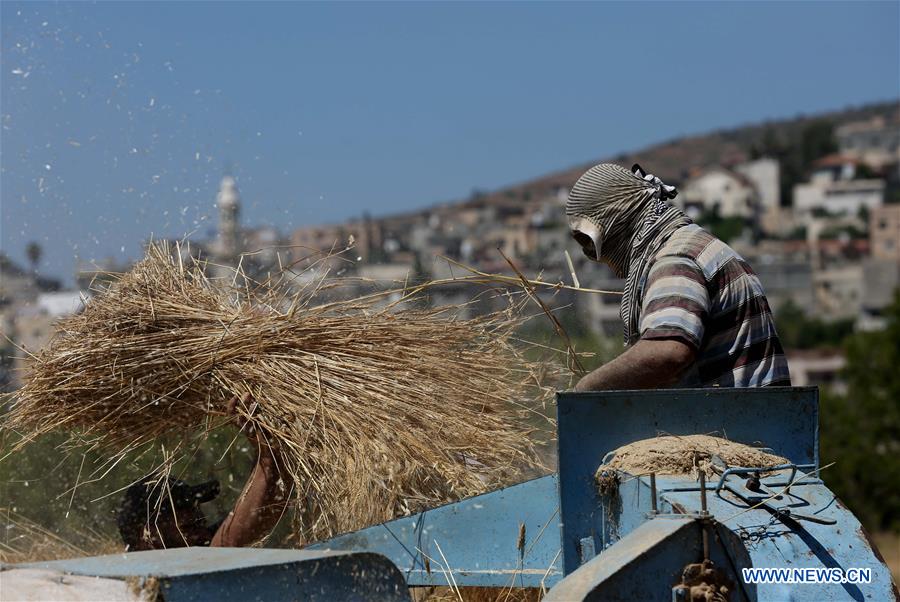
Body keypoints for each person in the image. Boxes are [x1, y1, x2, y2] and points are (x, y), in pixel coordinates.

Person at [566, 163, 791, 390]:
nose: (593, 256)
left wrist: (585, 391)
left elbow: (667, 352)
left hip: (738, 422)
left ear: (617, 223)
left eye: (589, 243)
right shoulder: (692, 245)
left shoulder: (675, 258)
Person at [117, 393, 288, 550]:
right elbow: (228, 544)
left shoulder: (195, 546)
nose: (204, 535)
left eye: (200, 524)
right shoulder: (147, 576)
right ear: (149, 536)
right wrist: (268, 456)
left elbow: (265, 507)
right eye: (188, 527)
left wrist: (266, 452)